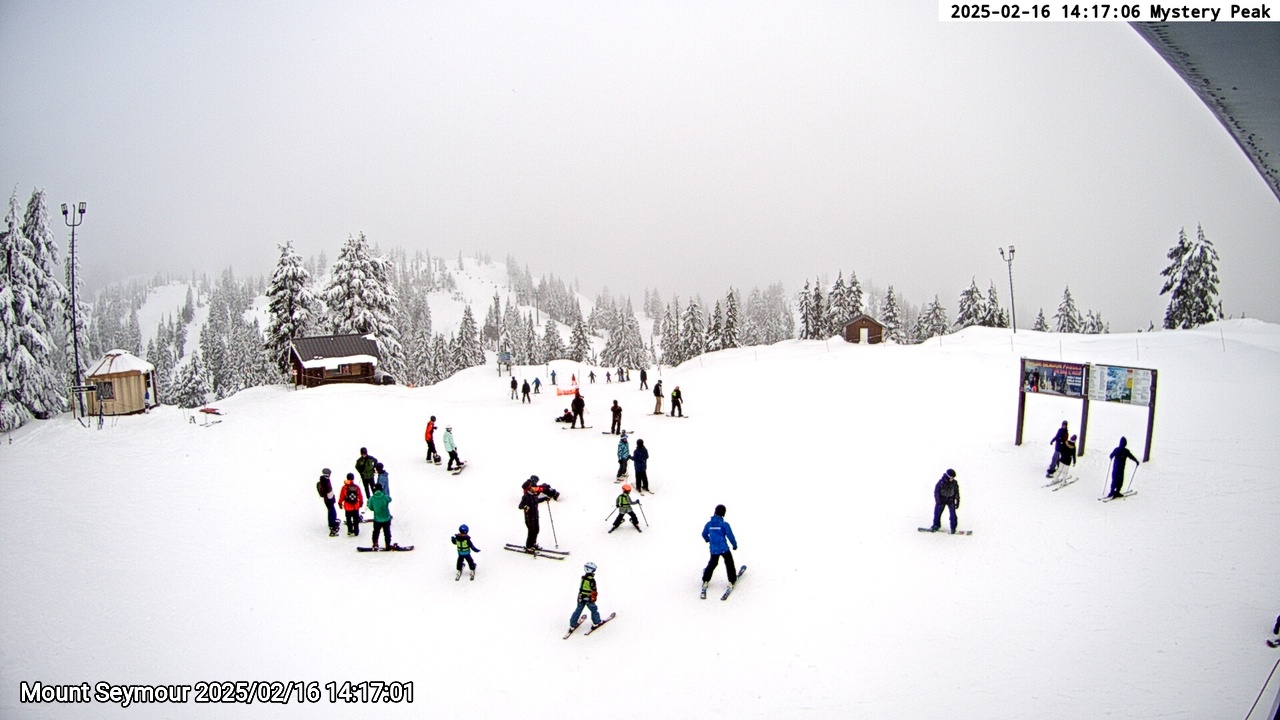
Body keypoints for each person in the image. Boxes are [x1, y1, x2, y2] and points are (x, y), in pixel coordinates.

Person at [702, 504, 738, 594]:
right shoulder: (724, 525)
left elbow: (703, 534)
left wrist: (707, 539)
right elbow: (730, 536)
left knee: (713, 563)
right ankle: (732, 580)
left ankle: (705, 579)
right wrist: (734, 545)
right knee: (729, 563)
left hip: (714, 550)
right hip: (724, 549)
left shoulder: (709, 524)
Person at [518, 476, 560, 550]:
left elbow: (537, 500)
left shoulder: (534, 495)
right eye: (535, 488)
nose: (537, 489)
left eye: (537, 488)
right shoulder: (526, 497)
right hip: (529, 518)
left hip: (536, 516)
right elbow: (520, 506)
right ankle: (529, 546)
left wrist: (544, 499)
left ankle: (533, 544)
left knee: (536, 530)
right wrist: (525, 507)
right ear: (531, 488)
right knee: (531, 532)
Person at [569, 562, 604, 631]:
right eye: (594, 570)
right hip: (588, 597)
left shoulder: (583, 578)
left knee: (578, 609)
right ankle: (596, 622)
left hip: (580, 596)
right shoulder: (592, 580)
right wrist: (594, 597)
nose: (594, 572)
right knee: (594, 609)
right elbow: (594, 590)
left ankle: (572, 624)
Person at [929, 469, 961, 533]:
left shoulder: (954, 483)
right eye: (951, 477)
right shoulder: (941, 482)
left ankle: (953, 528)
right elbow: (936, 492)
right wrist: (938, 501)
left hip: (950, 500)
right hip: (941, 500)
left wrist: (957, 501)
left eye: (953, 478)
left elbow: (956, 492)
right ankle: (936, 525)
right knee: (937, 513)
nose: (952, 479)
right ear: (947, 476)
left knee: (953, 515)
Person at [367, 481, 392, 550]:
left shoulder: (372, 498)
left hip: (377, 518)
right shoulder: (384, 497)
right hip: (386, 517)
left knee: (376, 532)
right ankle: (387, 544)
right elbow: (390, 499)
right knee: (387, 532)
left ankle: (375, 543)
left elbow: (371, 508)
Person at [339, 473, 364, 537]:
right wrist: (361, 503)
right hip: (356, 506)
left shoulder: (344, 487)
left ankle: (350, 530)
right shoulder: (356, 487)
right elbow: (360, 496)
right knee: (356, 519)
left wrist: (340, 503)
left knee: (348, 519)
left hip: (347, 506)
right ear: (353, 478)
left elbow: (341, 496)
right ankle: (356, 531)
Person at [316, 468, 339, 536]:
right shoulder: (325, 481)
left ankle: (331, 522)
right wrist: (332, 498)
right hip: (329, 499)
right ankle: (332, 524)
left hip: (327, 499)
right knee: (332, 511)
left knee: (331, 511)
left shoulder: (323, 480)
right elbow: (328, 491)